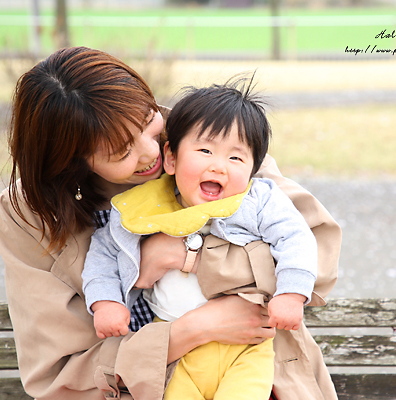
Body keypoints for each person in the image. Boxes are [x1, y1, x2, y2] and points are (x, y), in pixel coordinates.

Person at [0, 46, 342, 400]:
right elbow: (57, 374)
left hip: (258, 372)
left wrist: (191, 257)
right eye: (122, 152)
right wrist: (188, 331)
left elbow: (317, 252)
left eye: (148, 121)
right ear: (72, 163)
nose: (153, 152)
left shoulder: (207, 137)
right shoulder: (29, 217)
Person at [82, 79, 318, 400]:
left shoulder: (259, 201)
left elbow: (296, 240)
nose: (218, 166)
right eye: (205, 150)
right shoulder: (144, 207)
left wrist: (291, 294)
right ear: (172, 158)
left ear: (253, 168)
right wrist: (105, 302)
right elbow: (104, 255)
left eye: (236, 159)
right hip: (177, 353)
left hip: (246, 349)